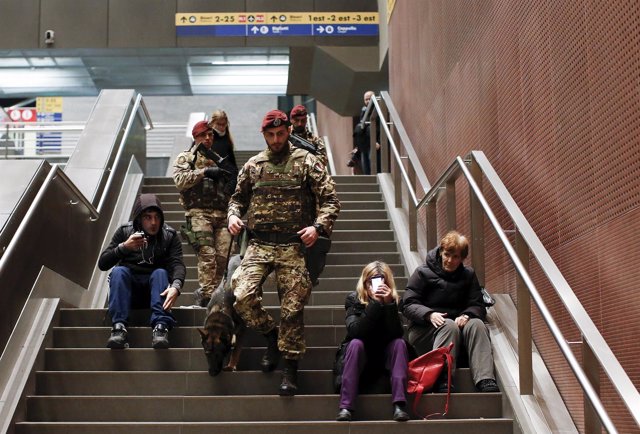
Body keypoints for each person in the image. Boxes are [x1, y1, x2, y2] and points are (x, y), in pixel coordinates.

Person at [227, 109, 340, 396]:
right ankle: (271, 335)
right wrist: (232, 216)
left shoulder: (307, 161)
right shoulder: (253, 165)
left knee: (292, 307)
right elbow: (237, 200)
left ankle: (290, 369)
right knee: (242, 296)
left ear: (288, 131)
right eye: (270, 135)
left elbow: (330, 200)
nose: (276, 139)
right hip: (259, 244)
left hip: (293, 244)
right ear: (264, 135)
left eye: (280, 133)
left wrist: (318, 226)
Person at [400, 231, 500, 393]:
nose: (450, 260)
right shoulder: (422, 273)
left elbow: (477, 305)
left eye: (456, 257)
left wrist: (467, 314)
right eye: (447, 254)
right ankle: (442, 378)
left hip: (457, 328)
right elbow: (408, 304)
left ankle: (485, 378)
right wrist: (429, 314)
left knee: (477, 324)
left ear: (462, 258)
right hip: (424, 330)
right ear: (441, 252)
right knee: (448, 325)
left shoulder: (468, 275)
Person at [98, 193, 185, 349]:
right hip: (127, 294)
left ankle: (160, 327)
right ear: (139, 218)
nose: (153, 222)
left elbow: (177, 264)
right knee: (119, 271)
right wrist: (124, 247)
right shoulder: (125, 231)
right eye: (148, 217)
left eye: (157, 217)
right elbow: (103, 263)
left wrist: (176, 286)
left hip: (156, 294)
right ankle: (118, 328)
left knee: (160, 272)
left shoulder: (169, 235)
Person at [173, 120, 238, 307]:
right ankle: (208, 298)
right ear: (195, 137)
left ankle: (216, 296)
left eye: (210, 135)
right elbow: (180, 180)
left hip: (222, 213)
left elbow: (232, 185)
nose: (208, 138)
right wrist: (205, 172)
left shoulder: (219, 158)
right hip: (199, 213)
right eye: (204, 135)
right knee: (207, 255)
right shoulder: (187, 158)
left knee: (223, 257)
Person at [335, 261, 410, 422]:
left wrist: (389, 305)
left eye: (380, 281)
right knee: (355, 343)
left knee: (399, 343)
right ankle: (346, 406)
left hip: (385, 358)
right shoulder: (353, 300)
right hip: (361, 357)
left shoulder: (394, 301)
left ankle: (399, 405)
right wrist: (375, 304)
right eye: (371, 282)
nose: (374, 286)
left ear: (388, 284)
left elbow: (396, 333)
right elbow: (356, 331)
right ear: (365, 283)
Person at [352, 90, 380, 175]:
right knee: (365, 166)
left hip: (374, 142)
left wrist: (379, 142)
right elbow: (361, 129)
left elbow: (381, 127)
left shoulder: (378, 110)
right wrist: (357, 146)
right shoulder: (364, 111)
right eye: (366, 99)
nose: (367, 101)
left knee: (373, 165)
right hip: (364, 143)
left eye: (369, 99)